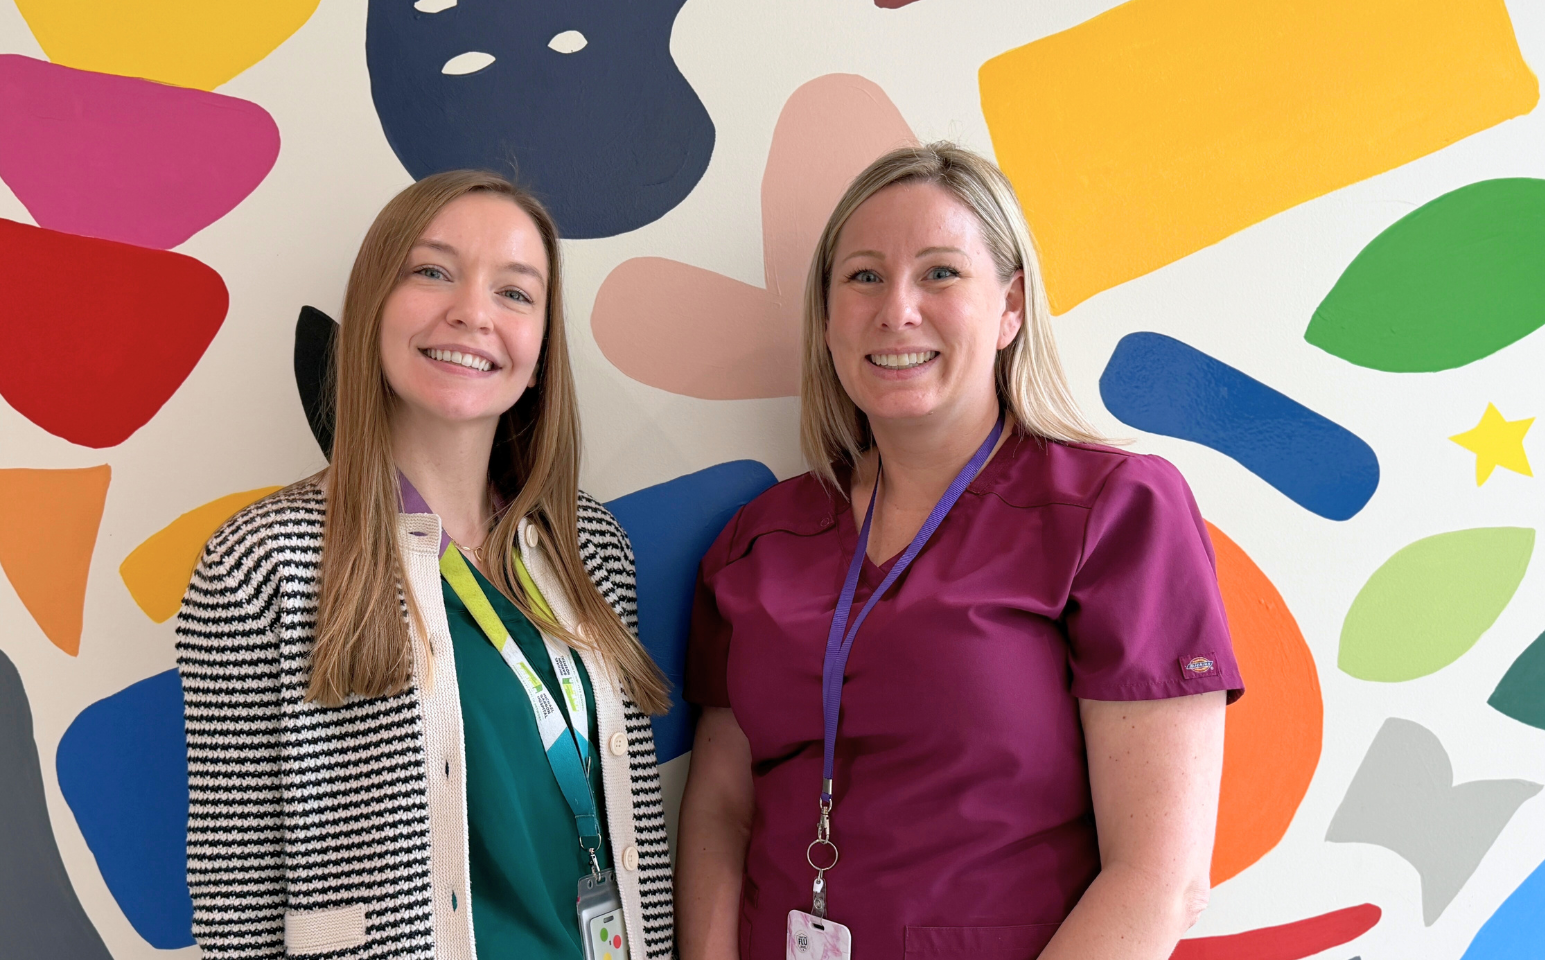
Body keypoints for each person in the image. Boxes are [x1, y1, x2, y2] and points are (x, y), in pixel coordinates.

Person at [675, 143, 1242, 960]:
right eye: (863, 277)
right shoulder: (755, 541)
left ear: (1010, 306)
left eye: (940, 273)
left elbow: (1160, 877)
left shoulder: (1115, 512)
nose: (896, 310)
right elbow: (721, 809)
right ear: (827, 318)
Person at [177, 170, 674, 960]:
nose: (472, 311)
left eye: (515, 293)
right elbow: (237, 896)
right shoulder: (263, 562)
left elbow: (633, 824)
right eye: (432, 271)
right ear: (372, 309)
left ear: (541, 353)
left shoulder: (591, 545)